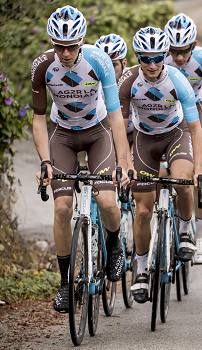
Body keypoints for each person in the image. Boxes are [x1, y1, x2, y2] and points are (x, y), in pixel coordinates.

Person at [32, 5, 130, 313]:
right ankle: (65, 284)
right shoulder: (43, 66)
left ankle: (114, 244)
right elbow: (37, 120)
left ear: (82, 40)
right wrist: (45, 161)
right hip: (61, 134)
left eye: (71, 45)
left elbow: (116, 117)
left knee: (107, 202)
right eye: (58, 45)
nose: (64, 52)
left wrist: (124, 164)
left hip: (98, 131)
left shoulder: (99, 62)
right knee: (62, 208)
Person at [118, 27, 202, 303]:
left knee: (182, 181)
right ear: (138, 57)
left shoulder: (178, 80)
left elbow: (195, 128)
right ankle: (141, 270)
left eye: (158, 57)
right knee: (143, 209)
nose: (153, 64)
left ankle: (184, 231)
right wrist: (122, 163)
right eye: (146, 58)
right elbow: (119, 129)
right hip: (145, 139)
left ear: (165, 55)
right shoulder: (128, 81)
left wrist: (200, 167)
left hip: (176, 133)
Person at [164, 13, 202, 264]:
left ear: (194, 45)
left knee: (201, 171)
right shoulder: (159, 58)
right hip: (167, 113)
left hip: (196, 111)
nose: (178, 57)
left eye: (184, 51)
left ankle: (200, 237)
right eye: (173, 51)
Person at [94, 34, 136, 147]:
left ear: (124, 64)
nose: (107, 70)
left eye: (113, 65)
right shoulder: (91, 84)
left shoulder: (135, 81)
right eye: (103, 65)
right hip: (106, 135)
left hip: (136, 134)